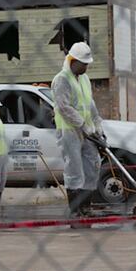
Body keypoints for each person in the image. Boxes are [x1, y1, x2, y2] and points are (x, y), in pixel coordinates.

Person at [51, 41, 104, 225]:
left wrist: (97, 124)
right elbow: (64, 108)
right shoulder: (61, 79)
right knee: (74, 169)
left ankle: (86, 207)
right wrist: (83, 125)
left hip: (87, 131)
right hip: (69, 131)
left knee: (93, 165)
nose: (86, 67)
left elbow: (90, 104)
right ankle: (75, 211)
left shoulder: (84, 79)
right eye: (83, 64)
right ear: (73, 61)